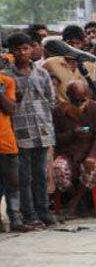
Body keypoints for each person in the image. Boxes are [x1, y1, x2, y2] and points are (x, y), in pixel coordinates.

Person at [8, 32, 57, 229]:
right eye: (17, 49)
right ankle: (29, 214)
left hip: (42, 131)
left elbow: (51, 100)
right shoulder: (6, 76)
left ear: (31, 49)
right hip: (20, 133)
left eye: (25, 48)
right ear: (11, 52)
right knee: (24, 176)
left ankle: (43, 211)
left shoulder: (42, 73)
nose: (22, 53)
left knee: (41, 174)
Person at [50, 80, 96, 219]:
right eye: (76, 100)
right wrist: (72, 134)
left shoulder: (95, 107)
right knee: (58, 168)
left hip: (90, 151)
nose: (79, 103)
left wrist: (93, 155)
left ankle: (74, 203)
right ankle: (76, 198)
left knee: (92, 168)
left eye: (83, 100)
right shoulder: (59, 111)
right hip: (68, 152)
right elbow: (55, 138)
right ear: (68, 96)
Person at [0, 61, 18, 231]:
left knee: (12, 183)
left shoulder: (7, 81)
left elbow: (11, 109)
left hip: (5, 142)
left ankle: (15, 220)